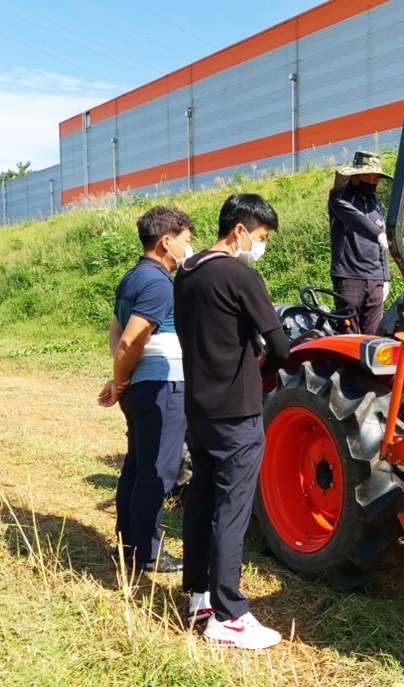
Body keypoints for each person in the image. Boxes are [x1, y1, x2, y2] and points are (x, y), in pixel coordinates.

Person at [173, 192, 290, 649]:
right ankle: (229, 616)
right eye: (260, 236)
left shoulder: (188, 272)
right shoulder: (240, 274)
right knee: (232, 508)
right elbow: (280, 347)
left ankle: (200, 595)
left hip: (198, 408)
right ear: (239, 230)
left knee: (202, 498)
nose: (261, 245)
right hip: (236, 411)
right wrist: (260, 366)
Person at [98, 205, 193, 574]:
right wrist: (121, 377)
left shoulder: (132, 278)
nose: (189, 248)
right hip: (162, 389)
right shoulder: (158, 283)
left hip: (143, 385)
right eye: (186, 241)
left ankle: (127, 544)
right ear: (166, 241)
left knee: (137, 468)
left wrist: (122, 378)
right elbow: (129, 341)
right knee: (158, 473)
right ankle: (146, 553)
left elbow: (115, 331)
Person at [328, 151, 392, 335]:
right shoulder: (339, 198)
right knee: (349, 334)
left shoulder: (376, 203)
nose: (371, 182)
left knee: (373, 336)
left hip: (375, 278)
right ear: (355, 176)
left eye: (375, 178)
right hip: (349, 277)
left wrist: (385, 277)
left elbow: (384, 241)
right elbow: (356, 220)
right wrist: (378, 235)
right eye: (366, 176)